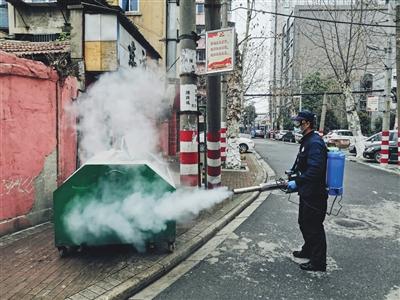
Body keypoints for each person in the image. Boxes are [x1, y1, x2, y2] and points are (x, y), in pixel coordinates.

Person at [287, 110, 328, 272]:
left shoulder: (315, 142)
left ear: (307, 123)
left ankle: (318, 263)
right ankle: (308, 250)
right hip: (307, 191)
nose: (297, 125)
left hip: (315, 194)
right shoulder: (307, 141)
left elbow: (316, 170)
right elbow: (302, 165)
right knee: (304, 222)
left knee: (313, 226)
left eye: (299, 122)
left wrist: (296, 182)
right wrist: (293, 174)